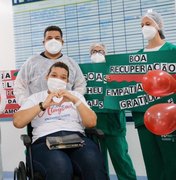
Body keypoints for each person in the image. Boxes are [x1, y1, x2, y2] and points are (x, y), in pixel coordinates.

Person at [13, 61, 109, 180]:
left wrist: (75, 100)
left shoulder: (76, 97)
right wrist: (43, 105)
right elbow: (17, 122)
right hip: (44, 142)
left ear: (67, 81)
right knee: (60, 164)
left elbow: (91, 123)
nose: (58, 79)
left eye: (63, 77)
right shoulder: (36, 98)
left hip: (76, 139)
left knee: (91, 160)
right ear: (47, 77)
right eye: (54, 75)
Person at [132, 9, 176, 180]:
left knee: (172, 163)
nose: (144, 28)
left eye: (148, 24)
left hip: (169, 117)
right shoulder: (137, 57)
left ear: (158, 25)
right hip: (144, 118)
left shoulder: (172, 51)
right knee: (152, 164)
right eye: (142, 25)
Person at [89, 43, 137, 180]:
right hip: (95, 124)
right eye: (94, 51)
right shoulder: (87, 75)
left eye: (100, 51)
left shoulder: (115, 71)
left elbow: (126, 92)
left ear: (106, 54)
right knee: (98, 163)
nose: (97, 53)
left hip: (114, 123)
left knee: (121, 159)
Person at [14, 25, 86, 106]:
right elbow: (19, 85)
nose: (53, 41)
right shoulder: (32, 62)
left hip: (66, 111)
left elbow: (80, 85)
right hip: (38, 111)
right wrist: (28, 105)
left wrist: (71, 101)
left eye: (57, 38)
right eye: (49, 38)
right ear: (44, 42)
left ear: (62, 42)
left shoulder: (71, 63)